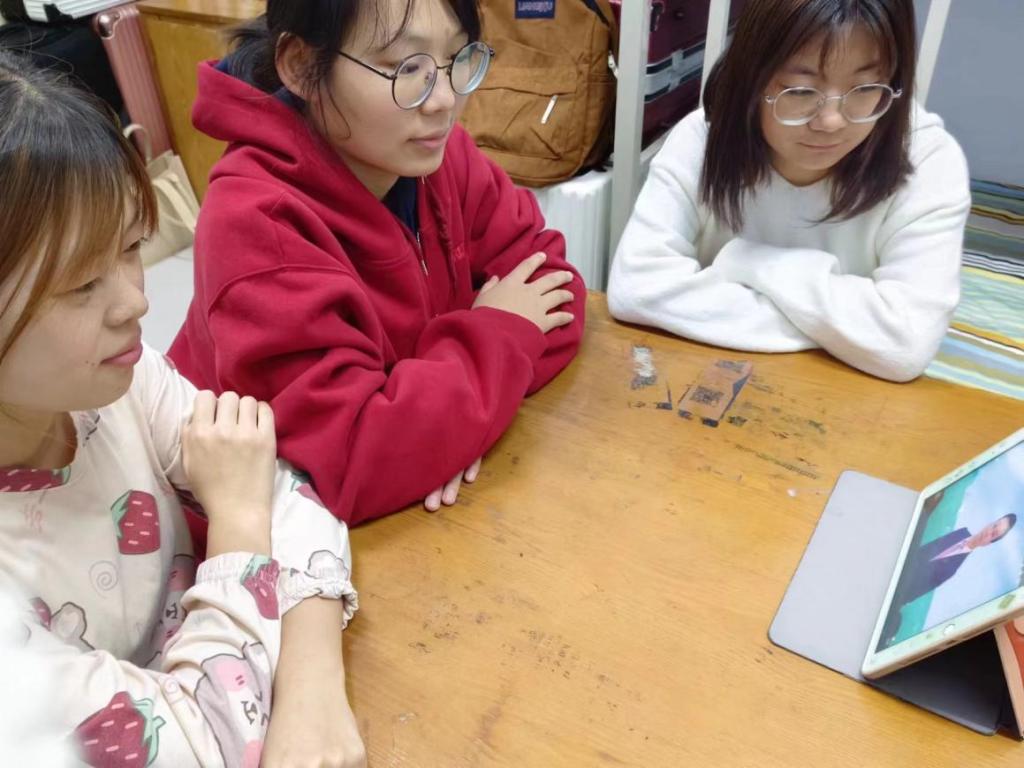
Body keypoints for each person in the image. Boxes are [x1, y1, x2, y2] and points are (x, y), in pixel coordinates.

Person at [0, 53, 364, 767]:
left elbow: (290, 497)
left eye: (131, 247)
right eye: (81, 285)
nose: (136, 301)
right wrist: (239, 523)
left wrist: (314, 687)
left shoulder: (116, 384)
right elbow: (197, 747)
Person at [168, 0, 586, 525]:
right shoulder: (258, 225)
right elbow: (353, 462)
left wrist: (447, 431)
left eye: (457, 57)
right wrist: (472, 390)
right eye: (406, 67)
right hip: (267, 538)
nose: (444, 100)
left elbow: (556, 286)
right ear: (300, 65)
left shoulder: (436, 155)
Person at [607, 0, 970, 382]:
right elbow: (636, 289)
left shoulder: (928, 158)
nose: (831, 121)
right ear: (751, 78)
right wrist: (848, 334)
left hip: (847, 390)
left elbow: (906, 342)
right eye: (800, 91)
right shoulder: (702, 140)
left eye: (864, 87)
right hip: (709, 377)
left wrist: (749, 261)